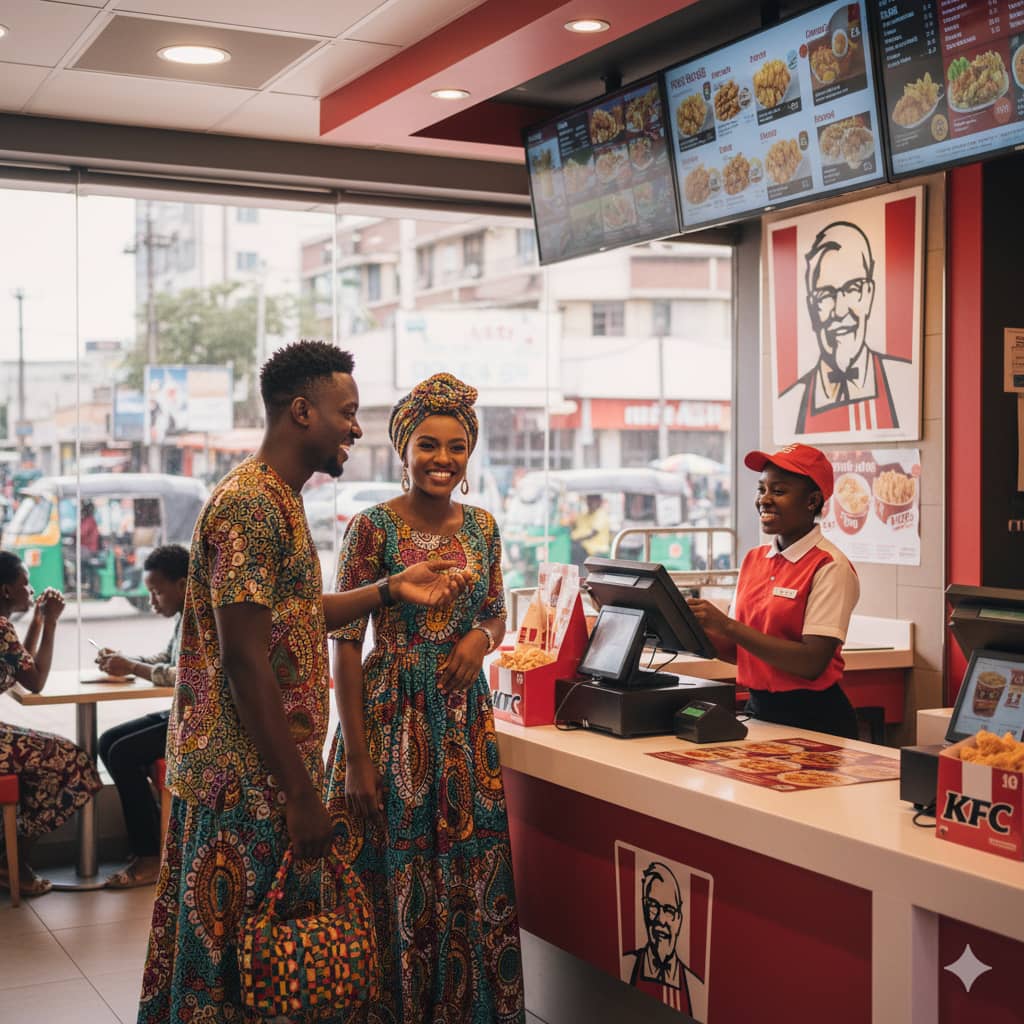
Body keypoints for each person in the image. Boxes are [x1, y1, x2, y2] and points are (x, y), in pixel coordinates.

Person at [137, 342, 469, 1024]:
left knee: (249, 965)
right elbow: (245, 659)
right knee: (240, 968)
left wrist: (385, 590)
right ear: (301, 411)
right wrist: (299, 794)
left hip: (252, 776)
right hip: (247, 784)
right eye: (346, 413)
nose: (354, 428)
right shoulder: (254, 507)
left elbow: (290, 617)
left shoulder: (273, 498)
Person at [326, 372, 525, 1023]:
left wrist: (481, 639)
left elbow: (496, 612)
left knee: (465, 870)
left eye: (457, 447)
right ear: (402, 449)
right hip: (389, 722)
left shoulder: (484, 528)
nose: (443, 459)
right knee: (393, 871)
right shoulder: (370, 529)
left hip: (463, 727)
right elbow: (347, 644)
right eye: (428, 446)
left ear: (471, 455)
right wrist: (355, 758)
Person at [687, 444, 861, 739]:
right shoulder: (754, 559)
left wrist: (727, 625)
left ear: (812, 501)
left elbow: (811, 663)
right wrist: (680, 625)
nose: (764, 500)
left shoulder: (830, 566)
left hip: (815, 720)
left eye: (778, 491)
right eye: (761, 490)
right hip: (760, 711)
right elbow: (741, 652)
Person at [0, 551, 102, 897]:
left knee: (53, 760)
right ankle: (11, 860)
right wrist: (53, 622)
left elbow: (21, 665)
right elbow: (36, 680)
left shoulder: (3, 628)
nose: (31, 590)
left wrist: (38, 621)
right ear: (5, 590)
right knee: (75, 763)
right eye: (24, 584)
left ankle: (11, 858)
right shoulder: (0, 627)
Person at [95, 544, 188, 889]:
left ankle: (149, 857)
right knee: (108, 742)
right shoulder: (183, 616)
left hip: (196, 719)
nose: (152, 601)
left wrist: (133, 666)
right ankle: (150, 841)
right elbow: (165, 658)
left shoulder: (202, 616)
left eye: (156, 592)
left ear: (181, 585)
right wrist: (125, 661)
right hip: (180, 711)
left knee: (122, 752)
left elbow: (186, 674)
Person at [781, 221, 912, 435]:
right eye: (826, 294)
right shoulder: (792, 400)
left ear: (869, 295)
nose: (840, 311)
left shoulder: (902, 382)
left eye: (852, 289)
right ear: (811, 308)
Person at [626, 861, 698, 1015]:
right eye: (653, 905)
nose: (660, 919)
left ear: (679, 919)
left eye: (669, 910)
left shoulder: (694, 985)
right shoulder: (626, 963)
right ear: (644, 909)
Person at [570, 493, 611, 566]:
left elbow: (593, 533)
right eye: (589, 500)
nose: (591, 502)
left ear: (599, 501)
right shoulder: (584, 515)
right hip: (584, 548)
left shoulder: (601, 514)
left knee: (575, 550)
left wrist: (576, 539)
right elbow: (574, 527)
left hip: (597, 550)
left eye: (594, 500)